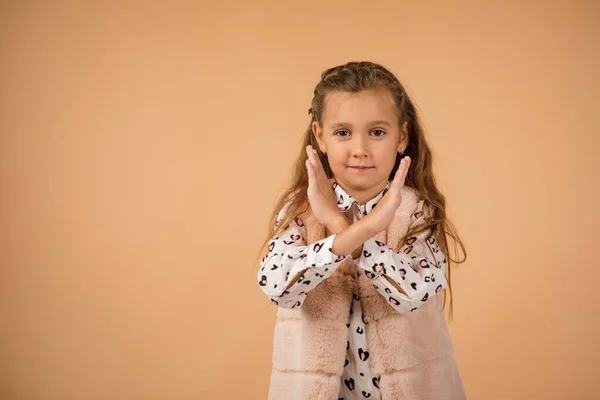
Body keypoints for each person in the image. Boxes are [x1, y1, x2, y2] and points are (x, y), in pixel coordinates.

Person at [255, 61, 467, 400]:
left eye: (377, 132)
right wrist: (352, 230)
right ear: (320, 137)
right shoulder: (301, 211)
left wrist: (347, 232)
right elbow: (278, 285)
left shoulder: (417, 211)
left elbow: (412, 293)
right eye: (342, 132)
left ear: (403, 137)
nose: (360, 149)